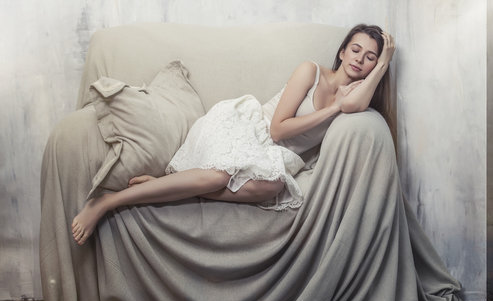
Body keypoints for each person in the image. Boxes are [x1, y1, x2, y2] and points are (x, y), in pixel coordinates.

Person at [71, 24, 395, 245]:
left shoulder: (356, 95)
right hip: (248, 127)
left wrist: (384, 64)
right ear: (341, 52)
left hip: (279, 157)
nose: (359, 60)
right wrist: (333, 108)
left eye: (370, 57)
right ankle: (108, 202)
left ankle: (162, 187)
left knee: (273, 185)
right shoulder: (310, 71)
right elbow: (277, 129)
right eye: (355, 50)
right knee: (219, 176)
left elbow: (357, 100)